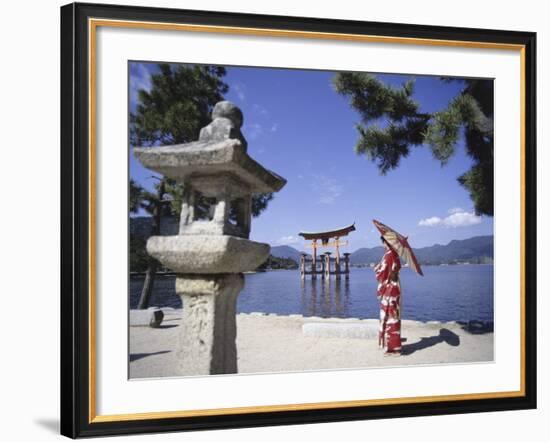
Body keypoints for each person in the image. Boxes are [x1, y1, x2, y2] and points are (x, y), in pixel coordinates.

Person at [374, 236, 402, 355]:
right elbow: (396, 269)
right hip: (396, 287)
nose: (383, 245)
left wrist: (376, 269)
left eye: (383, 242)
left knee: (388, 318)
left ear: (386, 242)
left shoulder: (388, 255)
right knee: (394, 317)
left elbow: (381, 274)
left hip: (389, 290)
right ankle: (394, 346)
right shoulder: (395, 254)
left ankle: (392, 348)